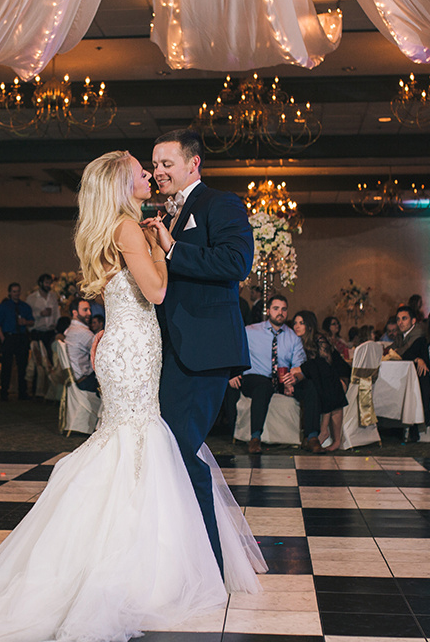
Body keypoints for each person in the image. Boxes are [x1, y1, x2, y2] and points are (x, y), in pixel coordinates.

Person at [0, 149, 263, 642]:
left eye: (154, 166)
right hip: (134, 349)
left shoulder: (113, 227)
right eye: (141, 169)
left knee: (135, 445)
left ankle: (136, 551)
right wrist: (163, 243)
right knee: (141, 445)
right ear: (120, 182)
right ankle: (144, 563)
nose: (149, 174)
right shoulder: (130, 228)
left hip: (130, 346)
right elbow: (156, 291)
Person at [143, 128, 256, 574]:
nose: (158, 172)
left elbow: (236, 263)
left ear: (193, 164)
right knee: (171, 450)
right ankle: (191, 558)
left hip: (205, 350)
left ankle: (207, 564)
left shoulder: (219, 203)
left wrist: (172, 248)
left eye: (166, 164)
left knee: (177, 448)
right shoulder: (166, 211)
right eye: (154, 165)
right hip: (173, 349)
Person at [224, 295, 310, 453]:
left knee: (310, 386)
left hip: (280, 380)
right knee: (263, 385)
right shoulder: (251, 331)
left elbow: (299, 366)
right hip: (253, 378)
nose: (280, 313)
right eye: (276, 308)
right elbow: (233, 350)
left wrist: (294, 379)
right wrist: (232, 372)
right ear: (269, 311)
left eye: (284, 309)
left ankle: (312, 437)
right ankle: (255, 438)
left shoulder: (293, 338)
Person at [293, 310, 349, 451]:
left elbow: (325, 364)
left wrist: (301, 369)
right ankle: (324, 431)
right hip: (323, 379)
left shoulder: (319, 339)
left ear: (310, 326)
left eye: (301, 323)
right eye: (295, 323)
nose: (297, 326)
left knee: (330, 386)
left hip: (338, 374)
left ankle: (334, 438)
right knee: (322, 385)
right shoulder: (296, 341)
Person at [0, 282, 33, 400]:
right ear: (10, 293)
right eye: (14, 291)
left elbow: (32, 321)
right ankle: (4, 391)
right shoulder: (3, 306)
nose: (16, 294)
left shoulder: (25, 306)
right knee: (7, 366)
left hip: (21, 336)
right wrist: (3, 339)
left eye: (18, 291)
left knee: (22, 365)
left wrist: (25, 322)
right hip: (9, 337)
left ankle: (22, 391)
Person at [63, 296, 98, 392]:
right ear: (75, 313)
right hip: (85, 381)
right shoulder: (81, 332)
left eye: (89, 310)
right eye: (85, 310)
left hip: (77, 378)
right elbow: (100, 352)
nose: (89, 313)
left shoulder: (70, 329)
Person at [27, 273, 59, 349]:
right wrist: (40, 314)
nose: (49, 285)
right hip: (38, 331)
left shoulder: (53, 296)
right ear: (40, 283)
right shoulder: (32, 298)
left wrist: (56, 324)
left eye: (50, 283)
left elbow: (57, 312)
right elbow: (28, 315)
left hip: (50, 332)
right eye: (46, 283)